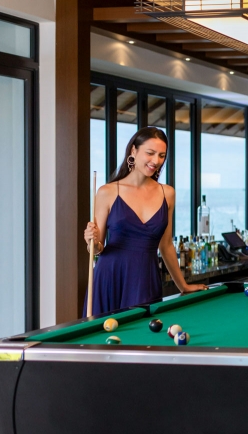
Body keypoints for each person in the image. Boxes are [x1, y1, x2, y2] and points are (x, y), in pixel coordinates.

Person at [84, 127, 205, 316]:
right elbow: (97, 248)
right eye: (150, 153)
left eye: (161, 155)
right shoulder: (107, 192)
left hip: (145, 278)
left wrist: (183, 286)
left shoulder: (167, 193)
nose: (156, 161)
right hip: (110, 276)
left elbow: (166, 246)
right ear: (134, 151)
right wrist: (92, 240)